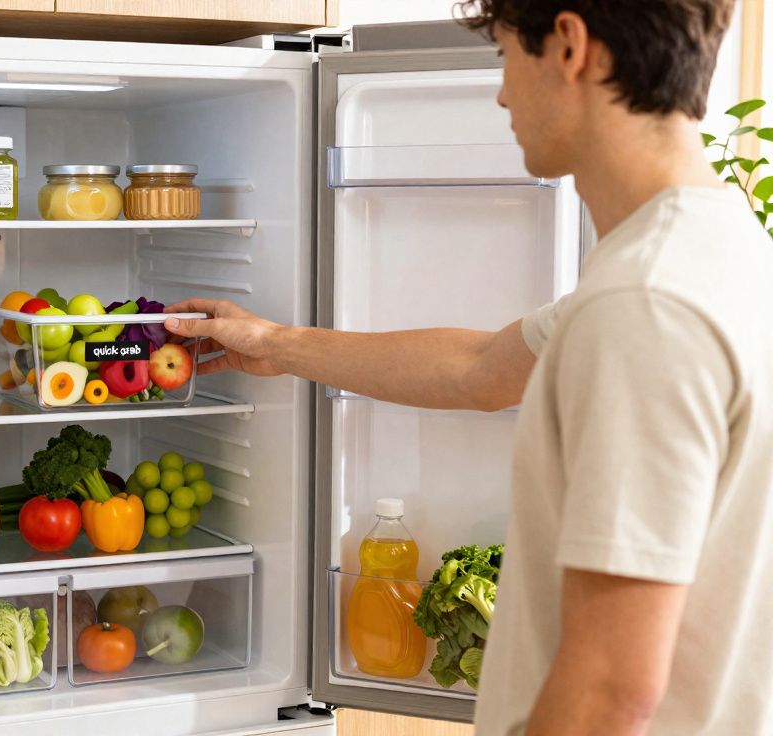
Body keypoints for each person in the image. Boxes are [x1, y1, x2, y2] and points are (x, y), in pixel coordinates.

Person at [164, 1, 773, 733]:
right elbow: (480, 368)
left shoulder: (642, 307)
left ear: (571, 46)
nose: (503, 93)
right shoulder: (719, 250)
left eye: (509, 56)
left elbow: (611, 691)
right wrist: (277, 342)